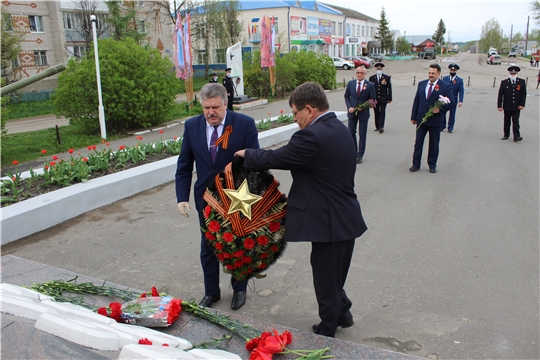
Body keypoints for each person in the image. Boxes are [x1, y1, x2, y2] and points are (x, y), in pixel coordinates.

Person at [235, 82, 367, 338]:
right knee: (333, 271)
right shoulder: (339, 129)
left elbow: (278, 157)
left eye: (295, 113)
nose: (294, 119)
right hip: (344, 217)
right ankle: (344, 313)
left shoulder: (311, 136)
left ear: (309, 109)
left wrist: (246, 154)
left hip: (329, 221)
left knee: (326, 275)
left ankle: (327, 328)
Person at [175, 83, 259, 310]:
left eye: (214, 107)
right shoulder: (192, 126)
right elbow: (184, 165)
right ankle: (212, 292)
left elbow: (254, 163)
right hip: (206, 199)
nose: (210, 112)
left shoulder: (244, 124)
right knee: (209, 247)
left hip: (237, 198)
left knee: (239, 246)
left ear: (225, 103)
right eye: (205, 108)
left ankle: (239, 289)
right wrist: (182, 197)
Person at [410, 64, 453, 173]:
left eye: (433, 73)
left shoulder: (445, 86)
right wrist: (413, 116)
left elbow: (451, 103)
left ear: (438, 73)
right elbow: (417, 101)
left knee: (433, 144)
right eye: (429, 73)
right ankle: (416, 164)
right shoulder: (422, 84)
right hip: (422, 119)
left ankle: (432, 164)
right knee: (418, 142)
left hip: (435, 120)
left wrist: (440, 109)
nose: (431, 75)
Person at [344, 66, 376, 164]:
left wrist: (365, 106)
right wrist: (349, 107)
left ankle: (360, 154)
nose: (359, 74)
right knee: (351, 132)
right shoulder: (351, 84)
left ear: (365, 74)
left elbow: (373, 100)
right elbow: (347, 97)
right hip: (352, 113)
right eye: (358, 72)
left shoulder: (369, 85)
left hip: (363, 113)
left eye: (361, 73)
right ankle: (353, 152)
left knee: (362, 134)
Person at [497, 66, 527, 142]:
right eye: (511, 73)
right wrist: (499, 106)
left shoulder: (521, 82)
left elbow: (523, 94)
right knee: (507, 121)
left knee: (516, 121)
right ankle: (506, 134)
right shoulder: (504, 82)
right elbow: (500, 95)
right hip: (507, 105)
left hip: (517, 106)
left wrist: (522, 104)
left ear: (517, 73)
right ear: (509, 74)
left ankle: (516, 136)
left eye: (514, 73)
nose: (513, 75)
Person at [368, 62, 392, 133]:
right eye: (377, 68)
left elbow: (389, 88)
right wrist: (369, 98)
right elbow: (369, 89)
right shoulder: (372, 78)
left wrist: (389, 98)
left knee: (382, 112)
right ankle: (377, 126)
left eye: (380, 68)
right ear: (375, 69)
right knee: (376, 112)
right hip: (375, 98)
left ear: (382, 69)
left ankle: (381, 126)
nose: (379, 69)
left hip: (383, 98)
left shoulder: (386, 77)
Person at [441, 63, 464, 133]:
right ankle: (443, 125)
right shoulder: (445, 78)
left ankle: (450, 127)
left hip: (453, 99)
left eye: (454, 71)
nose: (452, 72)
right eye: (451, 70)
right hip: (445, 99)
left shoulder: (459, 80)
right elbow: (441, 88)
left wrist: (461, 101)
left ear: (456, 71)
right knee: (442, 112)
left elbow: (461, 91)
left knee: (452, 113)